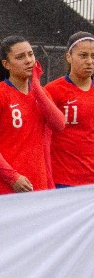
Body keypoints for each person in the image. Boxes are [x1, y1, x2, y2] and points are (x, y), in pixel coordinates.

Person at [0, 35, 65, 195]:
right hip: (5, 187)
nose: (28, 60)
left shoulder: (42, 94)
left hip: (38, 185)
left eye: (30, 54)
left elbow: (59, 125)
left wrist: (37, 87)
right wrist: (12, 177)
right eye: (20, 57)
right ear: (6, 64)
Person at [44, 31, 94, 187]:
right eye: (83, 55)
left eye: (93, 56)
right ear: (68, 57)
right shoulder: (53, 90)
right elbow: (43, 137)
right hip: (62, 180)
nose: (89, 61)